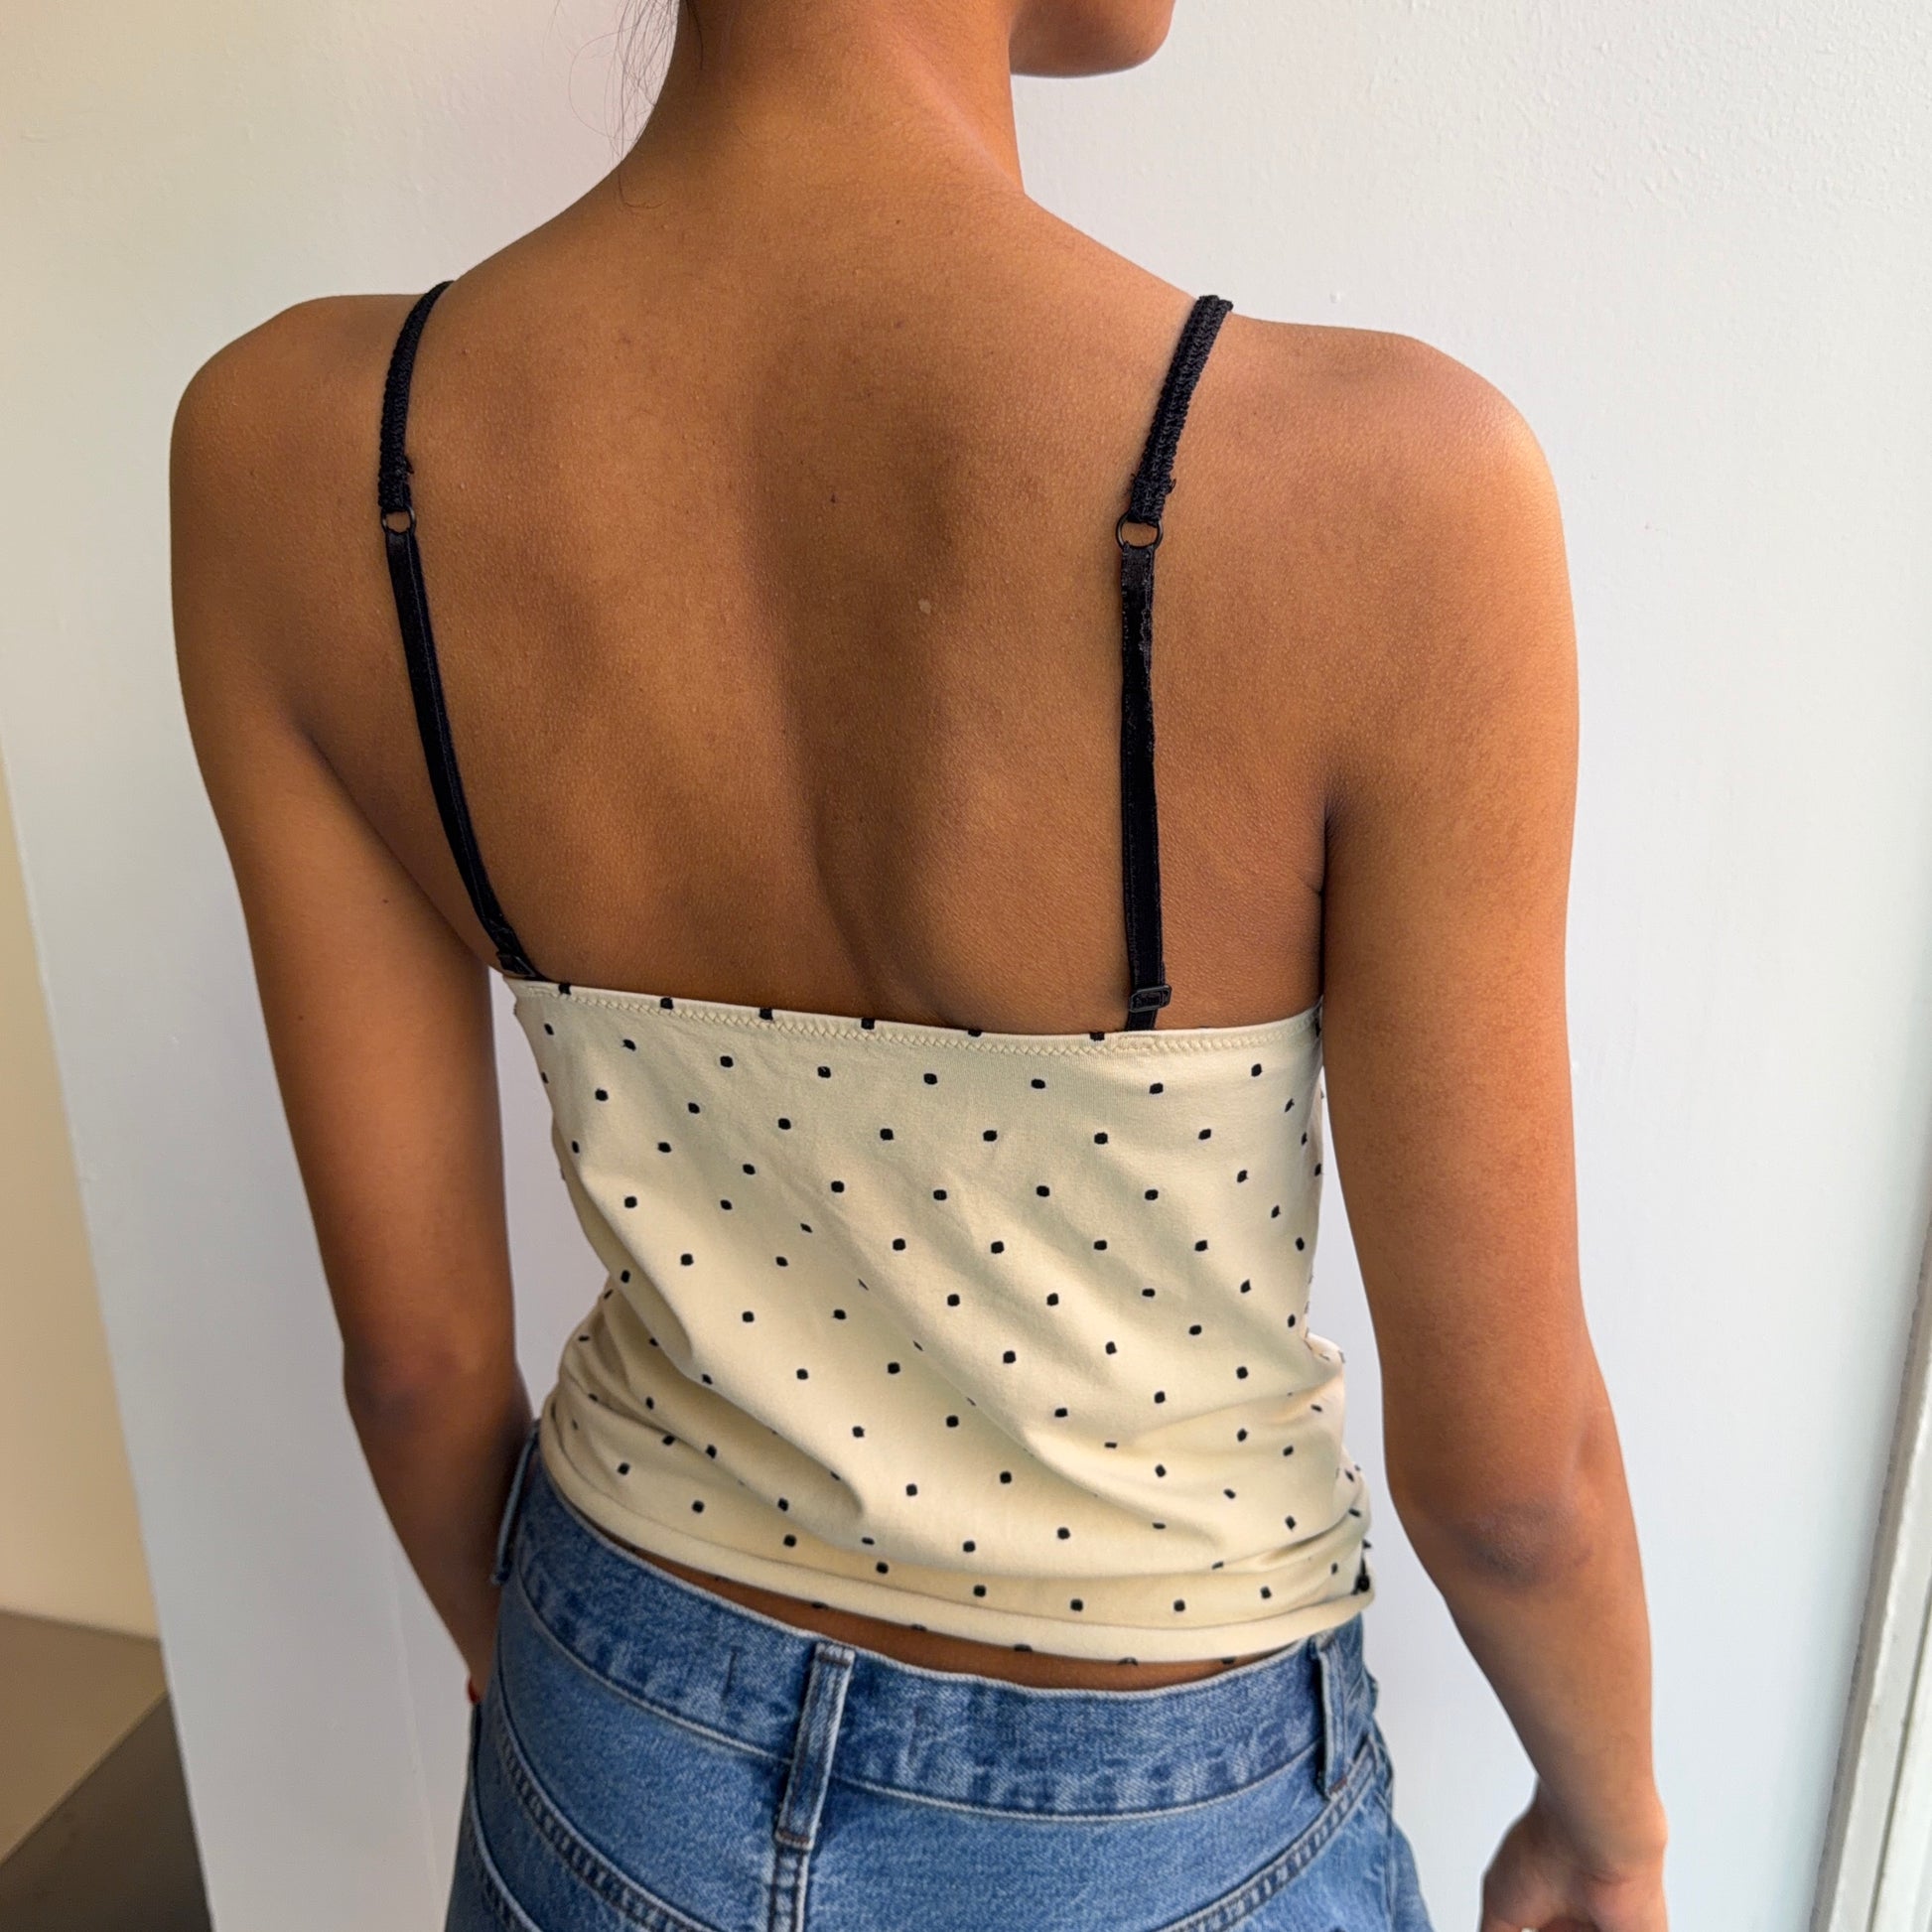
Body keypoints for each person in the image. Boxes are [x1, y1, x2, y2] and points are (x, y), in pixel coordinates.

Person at [169, 1, 1667, 1925]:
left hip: (607, 1708)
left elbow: (416, 1369)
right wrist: (1608, 1825)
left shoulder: (296, 454)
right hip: (1160, 1814)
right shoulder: (1388, 491)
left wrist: (565, 1695)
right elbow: (1512, 1488)